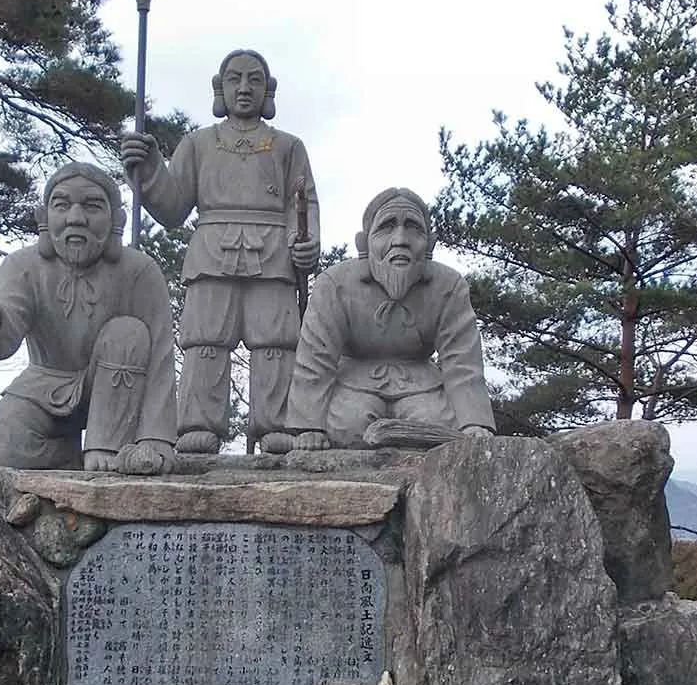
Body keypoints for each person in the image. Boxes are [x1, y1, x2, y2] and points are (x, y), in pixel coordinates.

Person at [121, 49, 320, 454]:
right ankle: (198, 423)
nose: (244, 88)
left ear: (268, 89)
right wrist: (149, 169)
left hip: (273, 250)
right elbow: (174, 206)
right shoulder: (198, 143)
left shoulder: (288, 146)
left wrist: (306, 240)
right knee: (205, 340)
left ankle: (276, 423)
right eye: (234, 79)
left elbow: (304, 203)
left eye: (253, 79)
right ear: (220, 87)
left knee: (276, 342)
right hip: (212, 248)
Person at [0, 162, 177, 473]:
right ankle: (71, 458)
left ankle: (108, 451)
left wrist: (156, 439)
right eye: (62, 205)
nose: (76, 218)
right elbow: (9, 326)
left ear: (115, 219)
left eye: (92, 206)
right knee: (3, 443)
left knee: (128, 332)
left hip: (120, 390)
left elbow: (162, 355)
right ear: (44, 218)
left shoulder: (140, 271)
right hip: (45, 384)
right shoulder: (23, 266)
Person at [287, 188, 495, 450]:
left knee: (437, 427)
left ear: (430, 244)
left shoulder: (449, 286)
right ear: (364, 243)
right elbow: (316, 358)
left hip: (422, 384)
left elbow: (462, 362)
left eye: (413, 229)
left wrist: (474, 422)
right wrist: (309, 425)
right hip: (353, 379)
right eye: (386, 227)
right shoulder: (335, 284)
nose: (400, 240)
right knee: (346, 426)